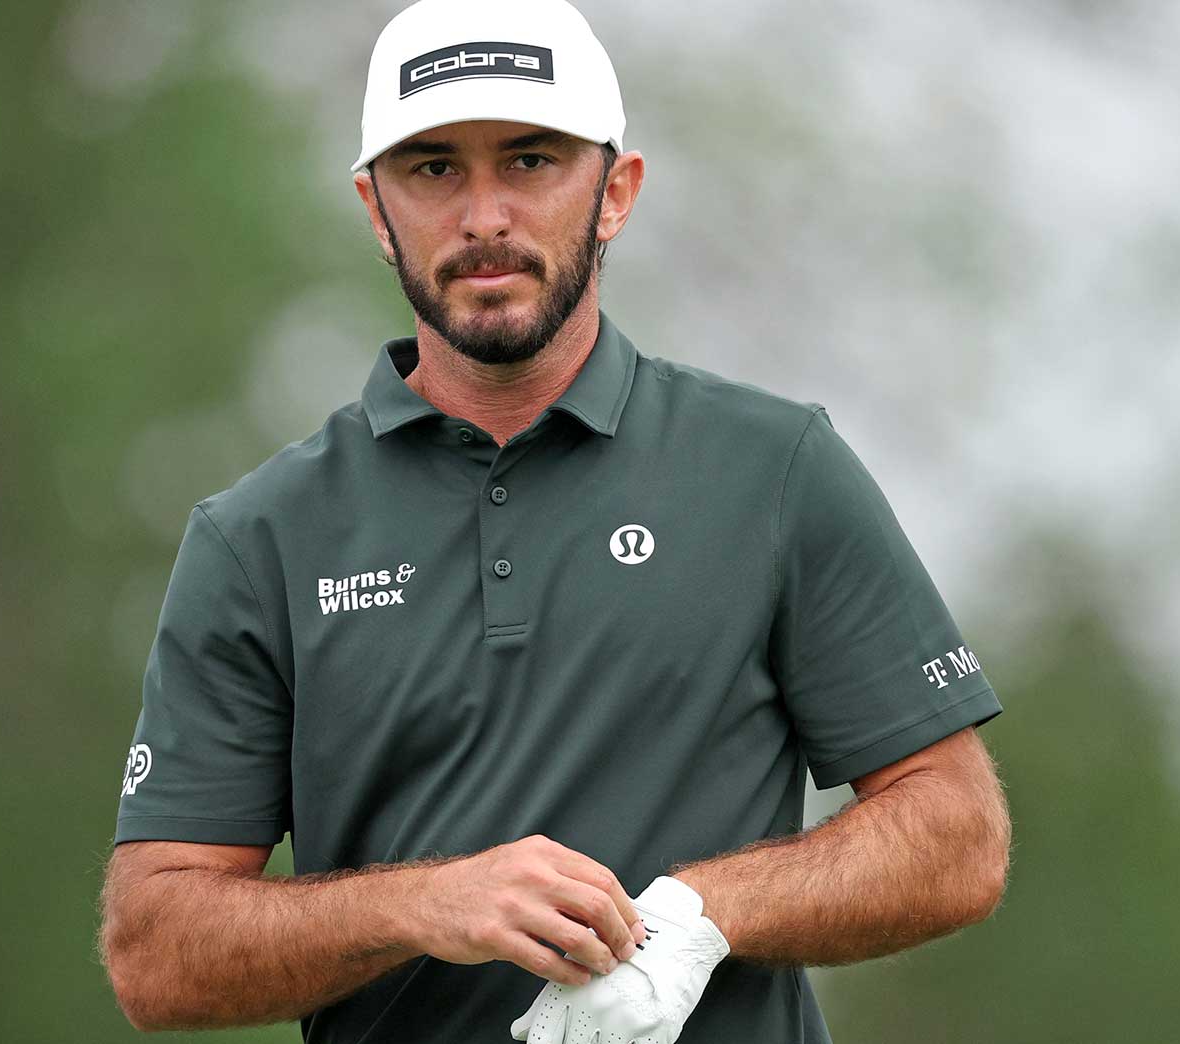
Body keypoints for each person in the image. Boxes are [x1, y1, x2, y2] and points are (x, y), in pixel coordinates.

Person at [97, 1, 1009, 1041]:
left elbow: (955, 834)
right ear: (374, 206)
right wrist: (423, 904)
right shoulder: (260, 538)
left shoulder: (773, 470)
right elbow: (155, 952)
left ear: (613, 192)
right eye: (432, 169)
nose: (483, 214)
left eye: (529, 162)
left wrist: (696, 917)